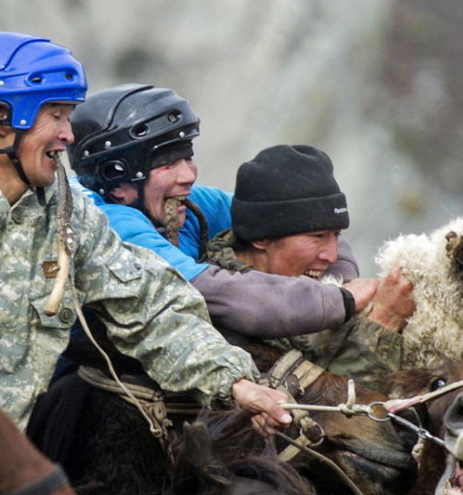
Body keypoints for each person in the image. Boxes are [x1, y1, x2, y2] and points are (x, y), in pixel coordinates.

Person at [0, 31, 291, 432]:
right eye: (55, 116)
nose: (68, 136)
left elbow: (147, 304)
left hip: (22, 472)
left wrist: (236, 384)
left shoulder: (68, 210)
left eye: (68, 116)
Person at [67, 84, 413, 380]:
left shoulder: (180, 203)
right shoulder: (109, 224)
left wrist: (331, 273)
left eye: (188, 157)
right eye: (167, 163)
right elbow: (228, 297)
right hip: (77, 393)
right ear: (117, 178)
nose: (189, 174)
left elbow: (290, 216)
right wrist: (345, 299)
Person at [204, 143, 415, 386]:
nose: (332, 256)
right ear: (261, 237)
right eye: (317, 237)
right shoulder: (221, 323)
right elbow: (330, 415)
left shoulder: (315, 292)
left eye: (336, 235)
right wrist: (382, 323)